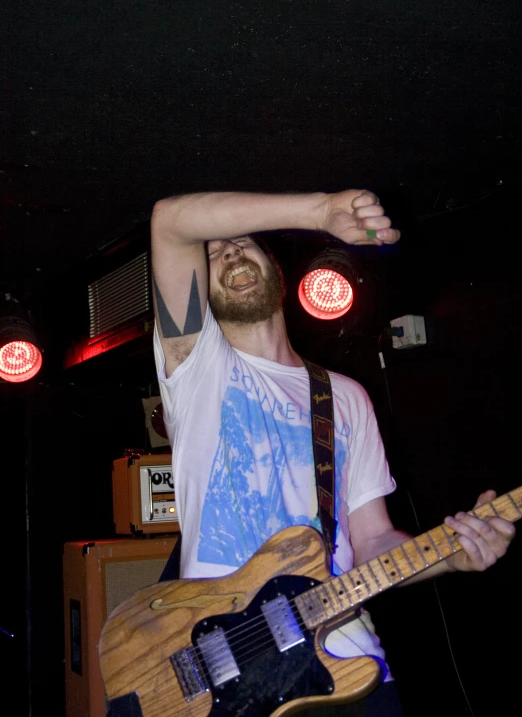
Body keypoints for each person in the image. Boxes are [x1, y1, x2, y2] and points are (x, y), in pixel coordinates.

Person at [150, 188, 515, 717]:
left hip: (349, 667)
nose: (228, 252)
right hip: (232, 678)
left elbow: (371, 541)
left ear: (274, 269)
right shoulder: (196, 370)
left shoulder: (344, 396)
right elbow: (171, 219)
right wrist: (319, 213)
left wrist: (450, 556)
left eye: (243, 243)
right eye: (212, 253)